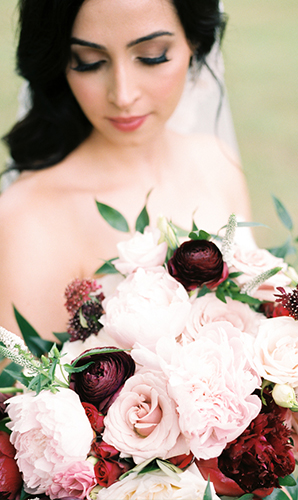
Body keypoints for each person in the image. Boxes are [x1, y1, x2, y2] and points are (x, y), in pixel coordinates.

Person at [0, 0, 252, 341]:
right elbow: (21, 389)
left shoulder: (216, 159)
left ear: (194, 41)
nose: (122, 94)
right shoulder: (26, 219)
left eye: (152, 55)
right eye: (89, 62)